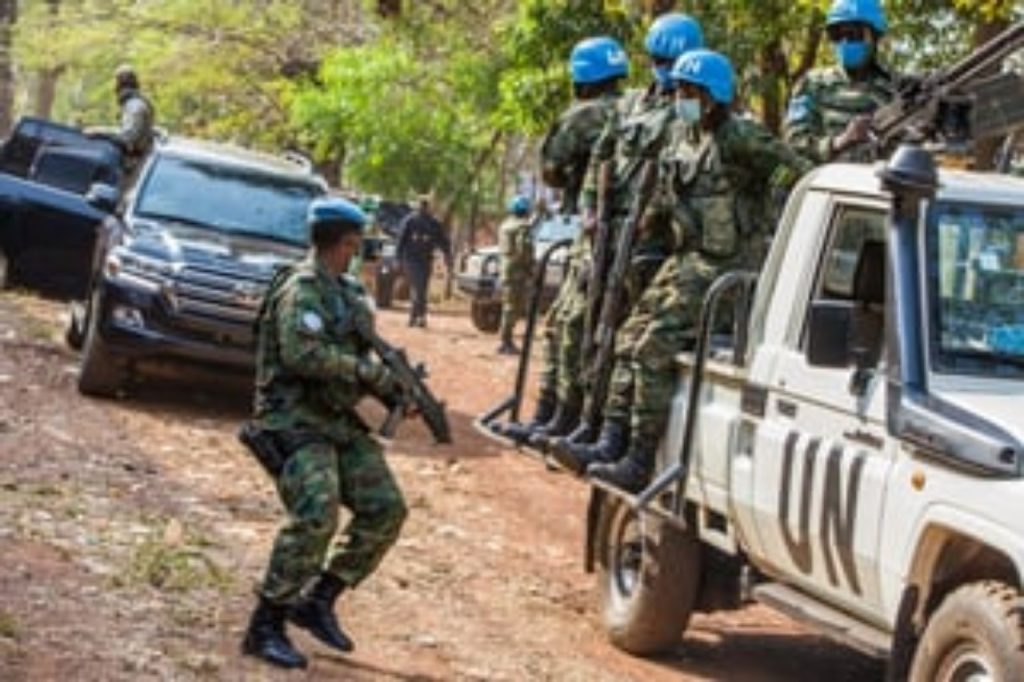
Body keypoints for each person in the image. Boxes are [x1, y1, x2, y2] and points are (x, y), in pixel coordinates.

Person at [562, 49, 812, 492]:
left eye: (690, 91)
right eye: (679, 89)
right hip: (685, 260)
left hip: (725, 266)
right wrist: (646, 228)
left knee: (651, 347)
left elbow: (799, 177)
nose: (681, 97)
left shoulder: (742, 137)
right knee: (625, 338)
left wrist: (765, 217)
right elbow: (664, 194)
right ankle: (609, 441)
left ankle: (639, 460)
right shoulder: (683, 136)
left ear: (714, 96)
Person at [241, 198, 408, 669]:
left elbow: (359, 364)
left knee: (386, 509)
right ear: (345, 243)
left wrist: (394, 391)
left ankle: (318, 600)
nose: (359, 252)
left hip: (334, 421)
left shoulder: (348, 291)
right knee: (317, 512)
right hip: (292, 420)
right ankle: (265, 624)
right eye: (356, 245)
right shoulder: (301, 289)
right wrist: (365, 372)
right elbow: (302, 356)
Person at [535, 12, 704, 450]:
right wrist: (592, 208)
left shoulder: (692, 114)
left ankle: (598, 429)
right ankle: (563, 417)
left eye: (673, 61)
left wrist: (654, 219)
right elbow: (600, 160)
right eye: (658, 60)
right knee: (579, 325)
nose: (665, 71)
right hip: (607, 235)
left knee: (617, 339)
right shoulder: (630, 105)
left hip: (650, 245)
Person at [498, 35, 628, 443]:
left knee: (566, 325)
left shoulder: (582, 116)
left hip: (588, 232)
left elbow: (551, 169)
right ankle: (558, 417)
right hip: (621, 235)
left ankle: (558, 417)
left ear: (581, 79)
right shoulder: (634, 109)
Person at [784, 0, 896, 164]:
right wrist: (839, 142)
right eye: (836, 35)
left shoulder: (896, 88)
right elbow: (794, 143)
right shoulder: (813, 84)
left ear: (874, 36)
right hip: (824, 185)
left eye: (854, 34)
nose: (844, 42)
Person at [396, 195, 453, 327]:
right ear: (418, 206)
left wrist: (447, 256)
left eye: (425, 205)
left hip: (426, 260)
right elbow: (400, 241)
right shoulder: (409, 221)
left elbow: (443, 241)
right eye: (422, 205)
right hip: (411, 259)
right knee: (419, 287)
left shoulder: (434, 223)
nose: (423, 208)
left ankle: (416, 317)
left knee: (421, 288)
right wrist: (398, 259)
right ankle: (418, 316)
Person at [497, 194, 535, 355]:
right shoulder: (523, 227)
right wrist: (529, 267)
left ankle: (506, 340)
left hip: (506, 268)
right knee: (512, 307)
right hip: (517, 270)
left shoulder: (505, 225)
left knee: (509, 305)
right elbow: (524, 250)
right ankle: (506, 342)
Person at [112, 64, 156, 175]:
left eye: (117, 81)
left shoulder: (135, 106)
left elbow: (128, 136)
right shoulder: (133, 103)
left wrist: (100, 133)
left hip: (133, 166)